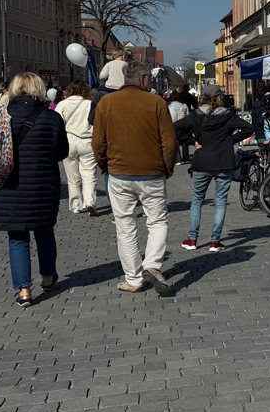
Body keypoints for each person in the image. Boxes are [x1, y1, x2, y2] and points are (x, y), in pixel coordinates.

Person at [0, 73, 69, 307]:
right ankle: (48, 278)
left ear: (13, 89)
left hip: (9, 187)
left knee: (17, 238)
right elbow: (62, 152)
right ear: (39, 89)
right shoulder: (52, 117)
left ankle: (25, 291)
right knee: (45, 232)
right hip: (43, 186)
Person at [92, 61, 177, 296]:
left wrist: (103, 165)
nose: (151, 81)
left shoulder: (106, 102)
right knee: (157, 221)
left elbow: (98, 142)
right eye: (149, 77)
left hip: (118, 173)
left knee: (125, 226)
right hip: (152, 173)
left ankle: (133, 279)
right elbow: (169, 143)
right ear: (142, 80)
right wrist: (167, 168)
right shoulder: (157, 103)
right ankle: (152, 265)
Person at [175, 92, 255, 252]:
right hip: (223, 162)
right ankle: (214, 241)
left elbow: (175, 127)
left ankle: (192, 240)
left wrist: (192, 141)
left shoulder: (195, 116)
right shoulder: (227, 116)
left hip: (202, 162)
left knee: (197, 200)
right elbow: (249, 128)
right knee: (220, 202)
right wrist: (230, 141)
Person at [55, 81, 98, 215]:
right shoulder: (90, 104)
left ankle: (76, 205)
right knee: (89, 174)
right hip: (88, 141)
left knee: (72, 177)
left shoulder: (62, 104)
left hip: (69, 141)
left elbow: (57, 124)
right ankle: (90, 201)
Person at [168, 91, 192, 163]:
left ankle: (178, 159)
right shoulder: (184, 106)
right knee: (185, 142)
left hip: (172, 125)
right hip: (183, 126)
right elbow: (188, 116)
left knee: (176, 142)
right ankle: (186, 157)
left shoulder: (168, 105)